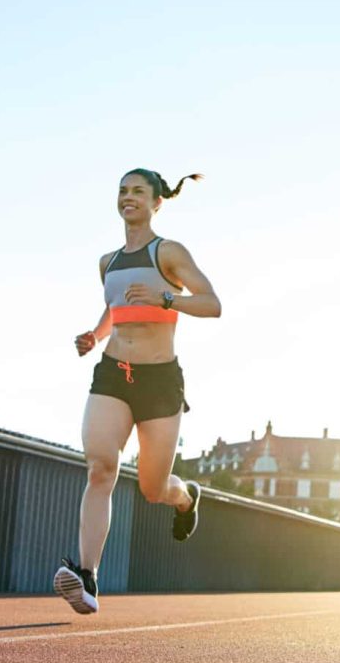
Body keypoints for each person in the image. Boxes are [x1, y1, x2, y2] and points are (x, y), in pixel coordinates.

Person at [53, 168, 222, 614]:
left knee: (152, 488)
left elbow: (212, 304)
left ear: (156, 203)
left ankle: (185, 497)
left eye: (138, 192)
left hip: (160, 381)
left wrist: (167, 298)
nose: (128, 198)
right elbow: (116, 307)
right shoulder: (107, 262)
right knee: (101, 468)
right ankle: (88, 576)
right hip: (113, 373)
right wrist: (94, 336)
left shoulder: (168, 252)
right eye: (123, 191)